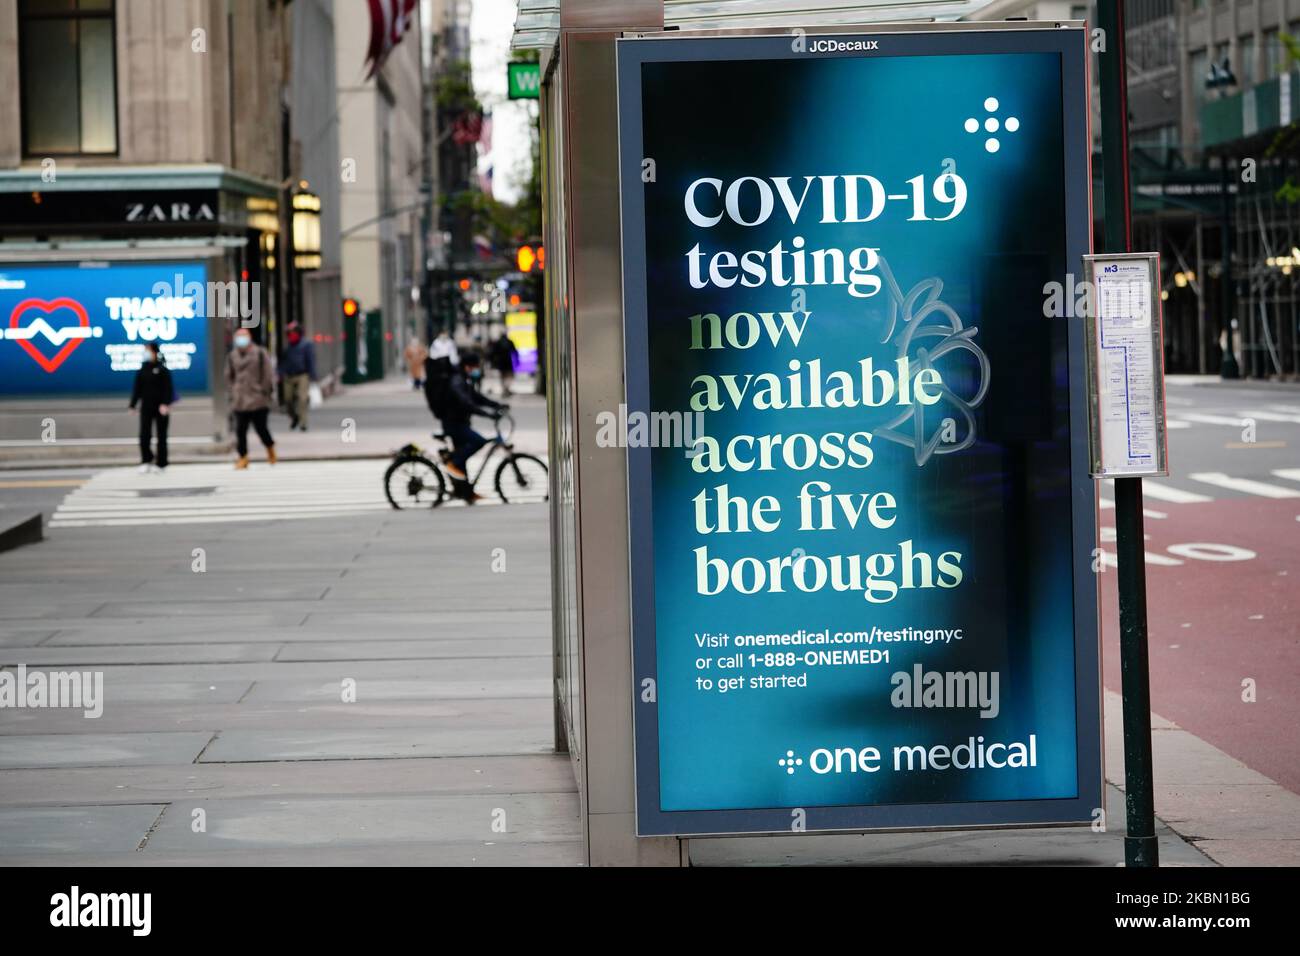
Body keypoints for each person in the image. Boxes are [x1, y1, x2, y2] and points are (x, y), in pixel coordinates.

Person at [436, 352, 507, 501]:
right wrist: (488, 415)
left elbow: (476, 397)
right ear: (468, 366)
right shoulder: (456, 380)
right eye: (475, 366)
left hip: (459, 423)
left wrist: (496, 405)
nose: (477, 369)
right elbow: (467, 404)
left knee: (463, 460)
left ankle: (466, 493)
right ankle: (452, 463)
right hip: (453, 424)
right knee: (479, 441)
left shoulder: (463, 379)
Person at [226, 330, 277, 469]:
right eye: (238, 338)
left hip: (257, 399)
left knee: (261, 429)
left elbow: (268, 374)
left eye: (243, 338)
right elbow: (229, 375)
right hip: (240, 400)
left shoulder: (260, 353)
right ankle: (243, 457)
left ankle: (270, 447)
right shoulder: (232, 355)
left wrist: (264, 391)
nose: (241, 341)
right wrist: (233, 391)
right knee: (240, 430)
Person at [129, 342, 173, 474]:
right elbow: (137, 389)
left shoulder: (162, 369)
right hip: (146, 407)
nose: (146, 353)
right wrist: (132, 405)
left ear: (155, 352)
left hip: (161, 407)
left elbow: (168, 389)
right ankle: (146, 460)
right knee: (144, 435)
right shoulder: (142, 370)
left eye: (148, 350)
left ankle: (162, 463)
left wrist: (165, 404)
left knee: (162, 436)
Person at [278, 322, 317, 431]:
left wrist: (312, 375)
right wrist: (280, 373)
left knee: (302, 398)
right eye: (289, 333)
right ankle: (294, 416)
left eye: (293, 332)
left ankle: (303, 423)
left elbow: (311, 360)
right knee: (288, 399)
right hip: (289, 376)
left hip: (302, 375)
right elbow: (282, 362)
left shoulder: (306, 345)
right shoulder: (288, 346)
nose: (291, 335)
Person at [489, 333, 519, 397]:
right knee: (509, 376)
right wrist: (517, 361)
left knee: (502, 376)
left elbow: (493, 353)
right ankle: (506, 388)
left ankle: (505, 389)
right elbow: (515, 351)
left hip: (501, 362)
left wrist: (492, 362)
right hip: (508, 361)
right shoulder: (509, 341)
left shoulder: (498, 342)